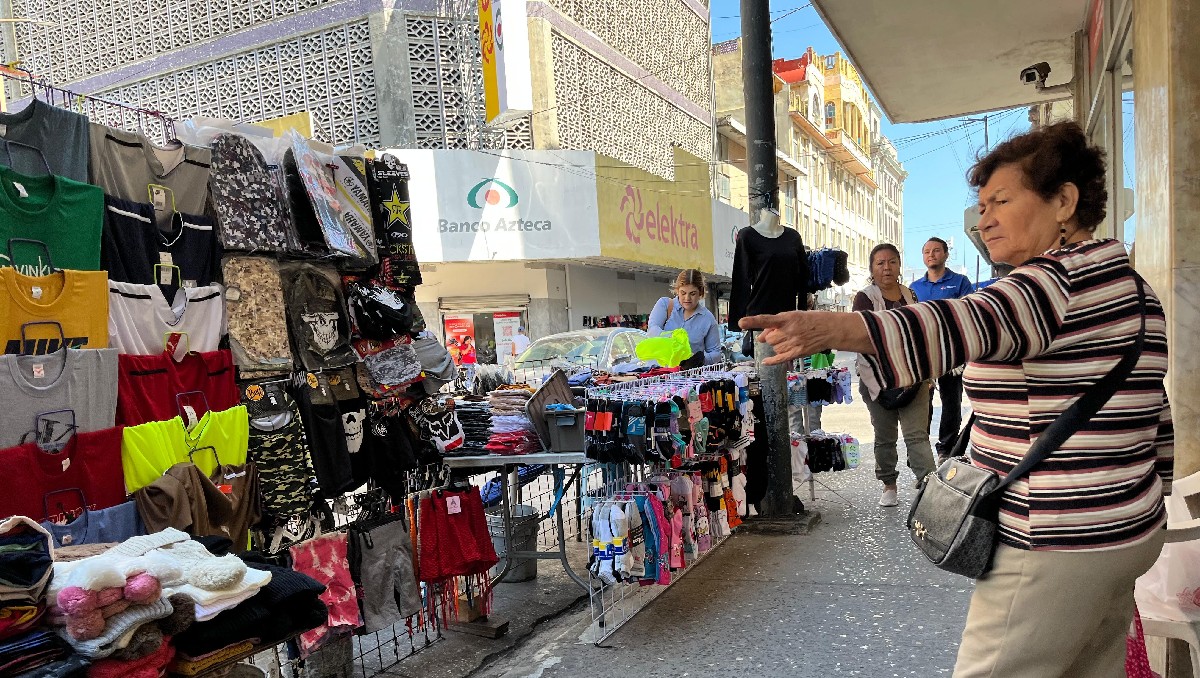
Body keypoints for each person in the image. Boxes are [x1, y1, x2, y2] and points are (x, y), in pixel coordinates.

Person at [739, 121, 1172, 677]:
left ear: (1064, 202)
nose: (984, 218)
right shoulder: (1136, 290)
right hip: (1129, 530)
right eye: (981, 204)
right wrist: (1139, 501)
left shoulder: (1048, 285)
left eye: (1001, 201)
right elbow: (1154, 420)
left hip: (1055, 539)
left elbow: (956, 322)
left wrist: (832, 328)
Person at [852, 243, 936, 507]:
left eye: (891, 262)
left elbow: (922, 334)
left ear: (899, 265)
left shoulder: (910, 295)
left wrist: (929, 372)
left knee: (917, 435)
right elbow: (861, 336)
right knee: (885, 436)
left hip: (913, 376)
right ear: (872, 268)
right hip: (876, 379)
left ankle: (928, 486)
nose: (886, 268)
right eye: (880, 263)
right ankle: (888, 484)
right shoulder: (864, 298)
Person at [910, 237, 976, 463]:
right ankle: (919, 450)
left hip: (952, 354)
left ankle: (946, 449)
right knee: (920, 404)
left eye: (936, 250)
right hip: (924, 355)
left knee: (951, 404)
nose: (931, 255)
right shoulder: (915, 287)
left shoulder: (960, 282)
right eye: (926, 251)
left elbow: (970, 316)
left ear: (946, 254)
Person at [647, 269, 721, 365]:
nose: (687, 298)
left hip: (688, 376)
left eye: (692, 294)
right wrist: (672, 338)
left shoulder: (708, 318)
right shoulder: (665, 305)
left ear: (701, 293)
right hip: (657, 373)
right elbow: (652, 330)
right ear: (677, 290)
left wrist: (695, 358)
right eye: (683, 293)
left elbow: (716, 353)